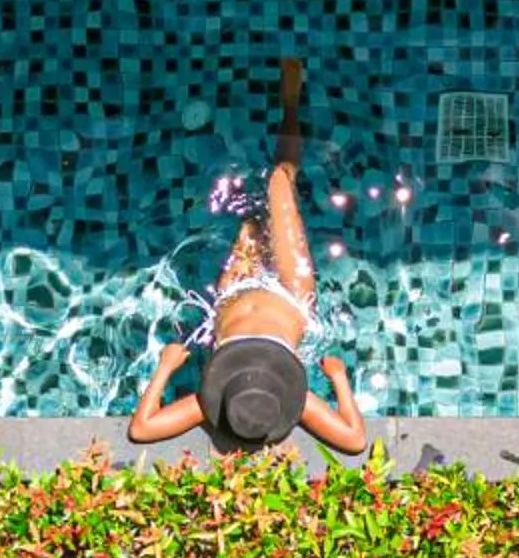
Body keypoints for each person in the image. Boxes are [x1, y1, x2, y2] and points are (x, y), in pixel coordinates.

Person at [127, 59, 368, 454]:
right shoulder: (293, 398)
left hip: (234, 292)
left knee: (251, 219)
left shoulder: (213, 402)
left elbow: (143, 429)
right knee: (278, 181)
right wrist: (339, 380)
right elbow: (354, 440)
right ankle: (291, 106)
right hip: (292, 291)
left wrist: (166, 367)